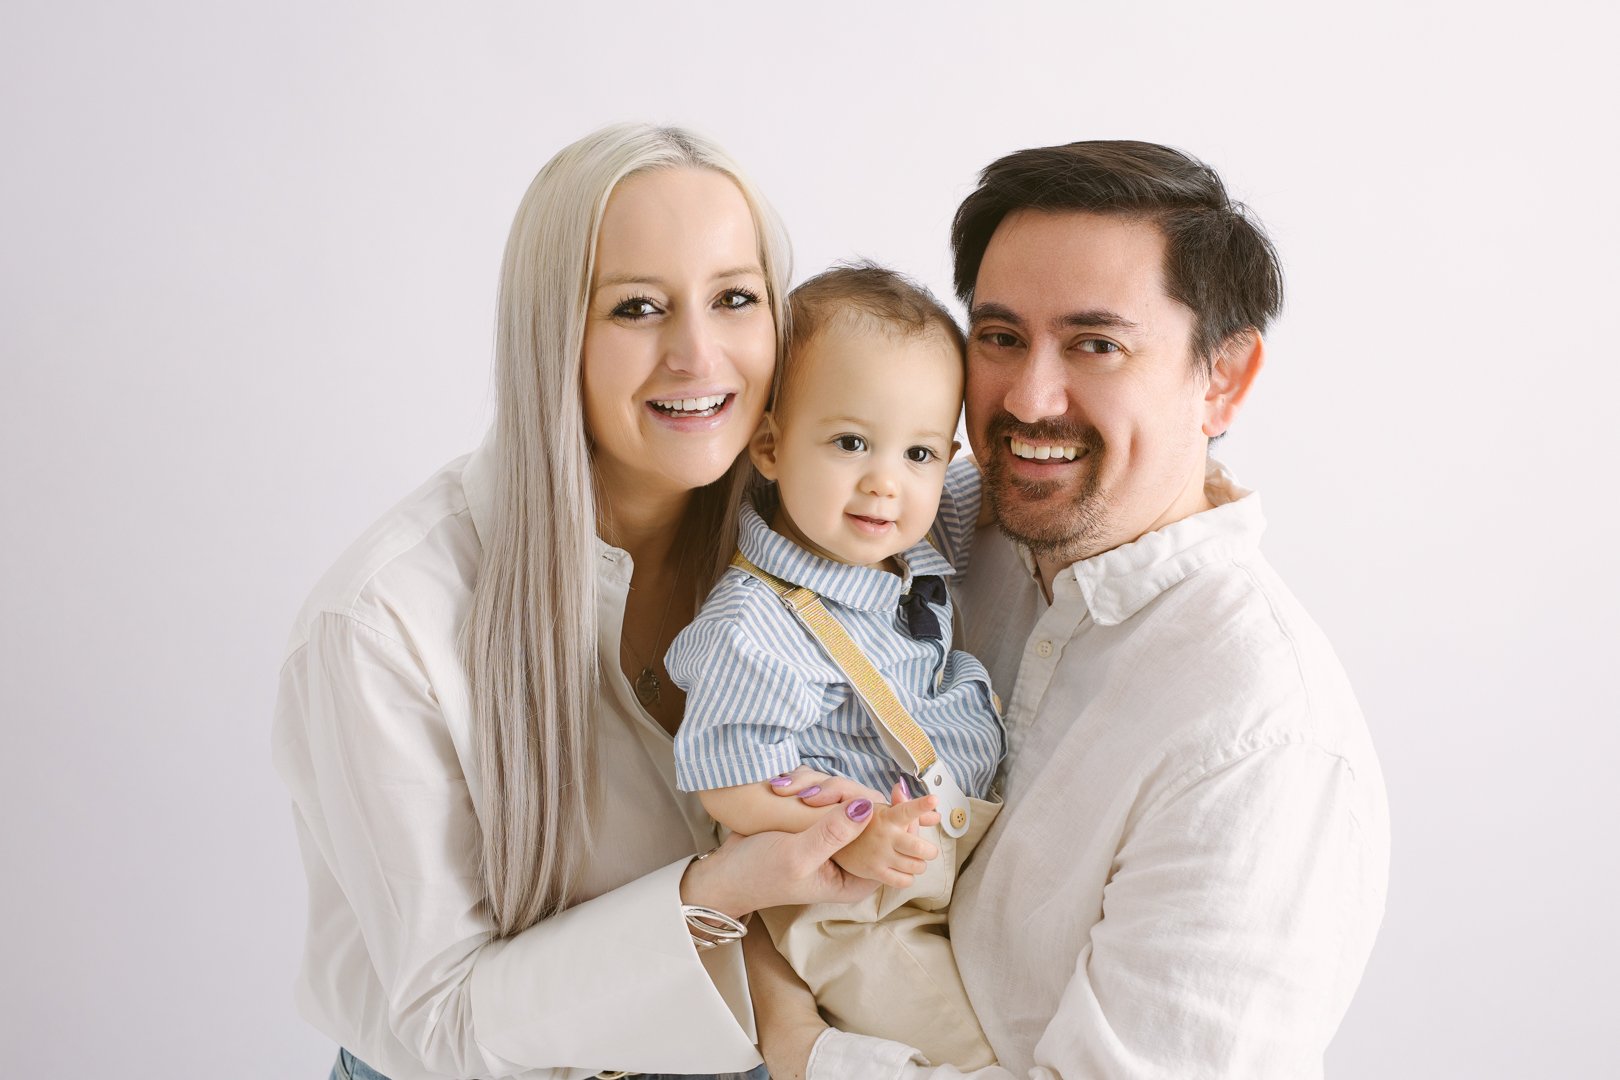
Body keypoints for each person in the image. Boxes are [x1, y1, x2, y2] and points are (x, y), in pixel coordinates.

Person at [749, 140, 1391, 1079]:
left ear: (1224, 379)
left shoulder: (1264, 744)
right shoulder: (937, 526)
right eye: (1001, 338)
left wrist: (800, 1047)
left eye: (1097, 345)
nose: (1029, 398)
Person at [271, 123, 885, 1080]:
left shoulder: (812, 528)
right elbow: (446, 1024)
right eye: (637, 308)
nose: (698, 354)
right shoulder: (384, 624)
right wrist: (717, 891)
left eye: (734, 299)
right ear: (553, 332)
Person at [666, 265, 1005, 1069]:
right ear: (773, 445)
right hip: (855, 905)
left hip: (947, 856)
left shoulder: (910, 537)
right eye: (851, 442)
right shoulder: (755, 623)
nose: (886, 481)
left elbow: (994, 487)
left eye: (919, 451)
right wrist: (845, 835)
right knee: (973, 1056)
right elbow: (727, 779)